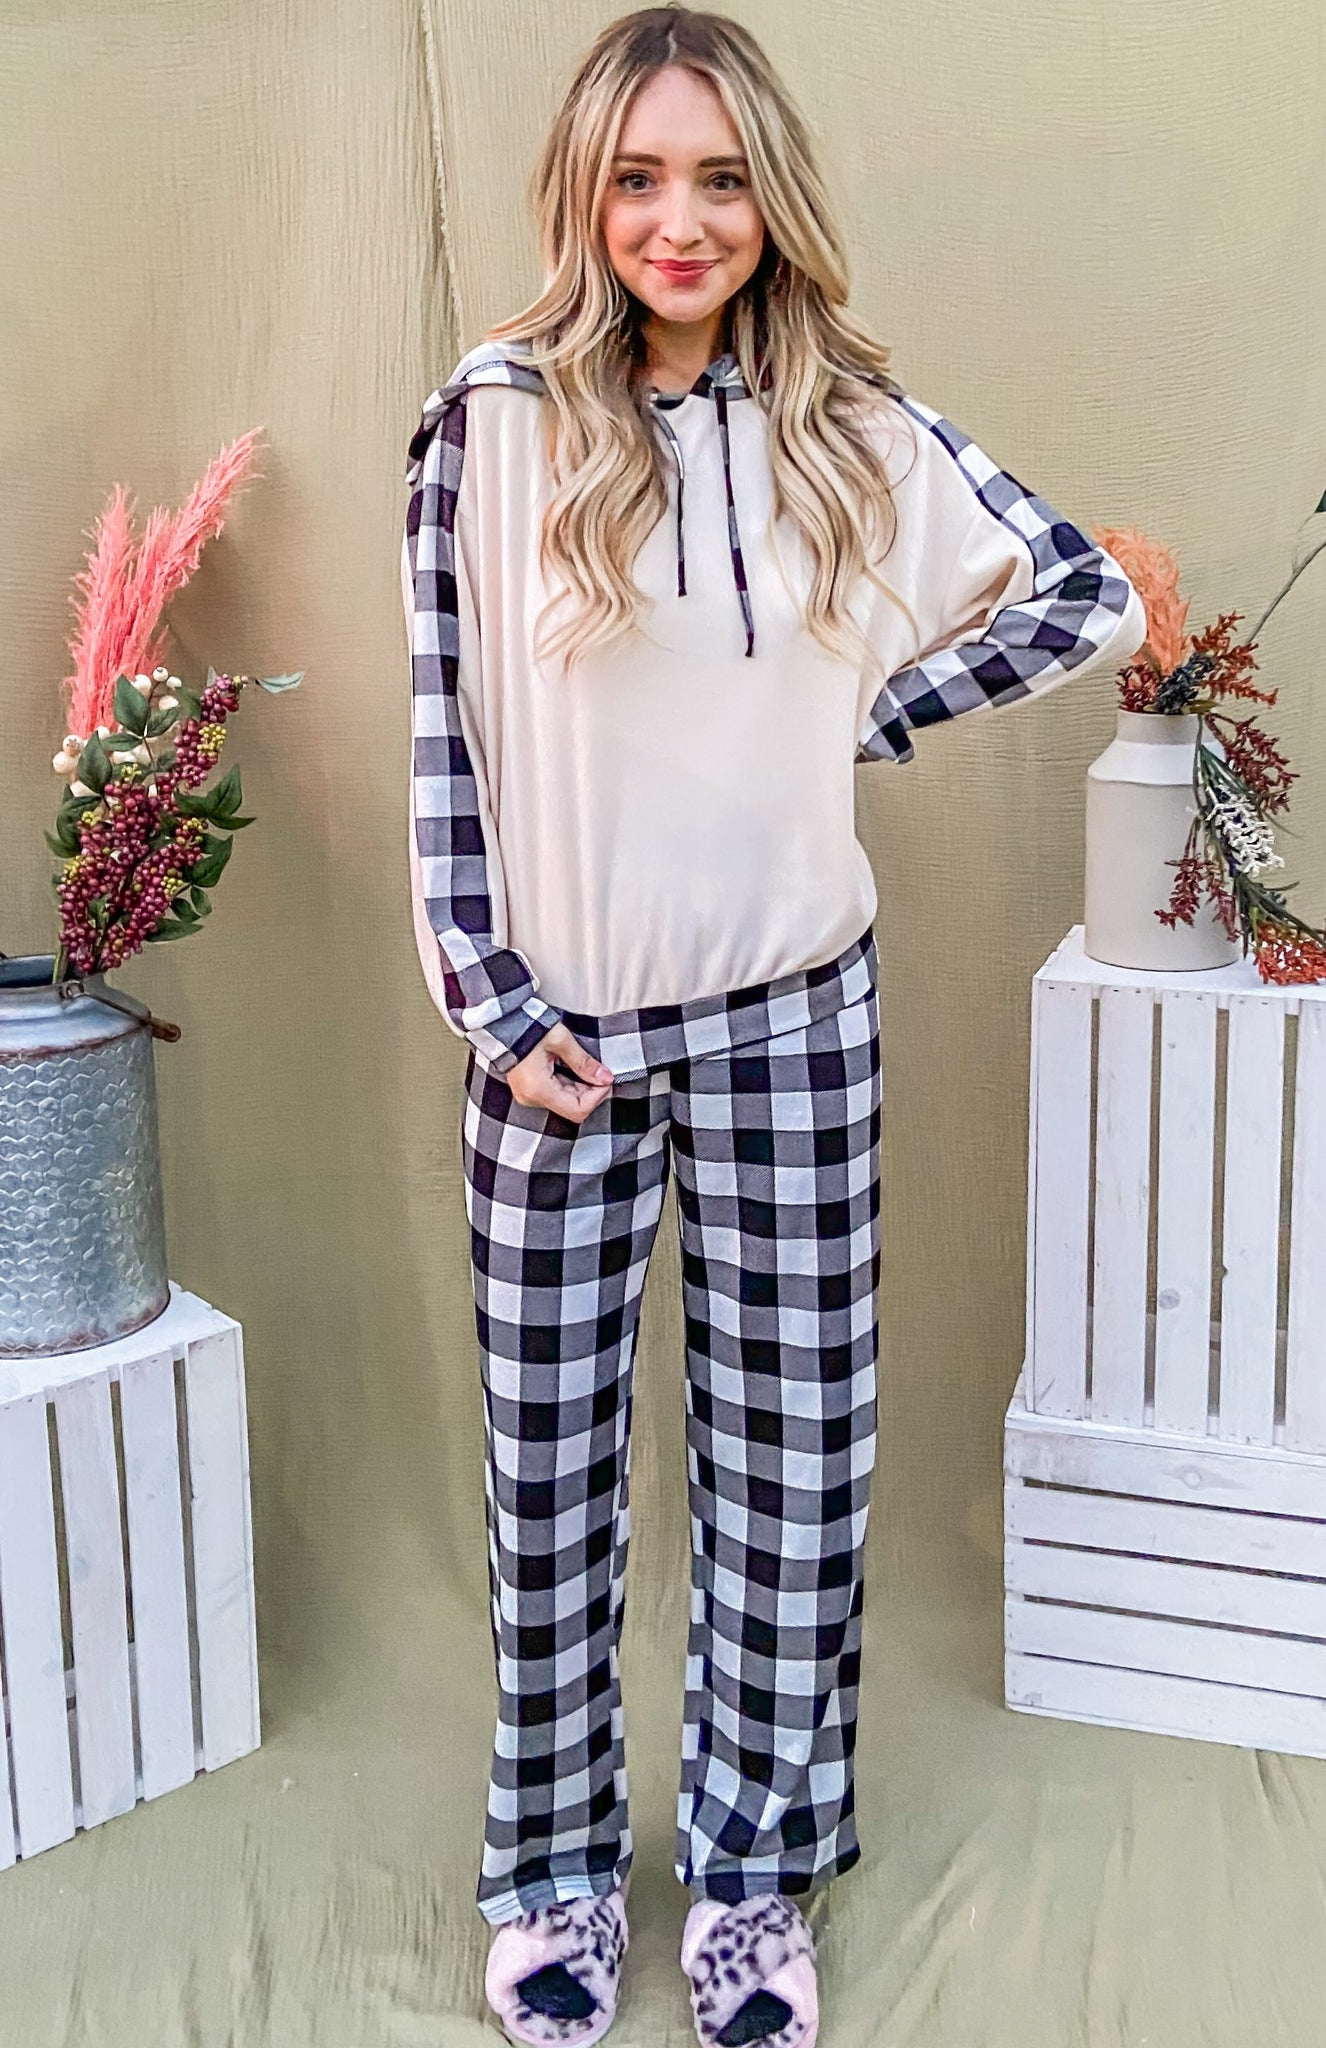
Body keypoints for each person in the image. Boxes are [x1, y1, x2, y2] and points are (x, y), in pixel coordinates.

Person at [400, 10, 1147, 2046]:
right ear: (581, 195)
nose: (679, 219)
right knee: (548, 1480)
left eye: (719, 178)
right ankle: (553, 1866)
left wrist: (859, 720)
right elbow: (442, 743)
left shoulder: (846, 430)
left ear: (771, 199)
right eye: (638, 177)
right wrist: (488, 1003)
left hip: (796, 1027)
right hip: (553, 1048)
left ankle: (751, 1878)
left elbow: (1075, 590)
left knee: (795, 1477)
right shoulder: (487, 424)